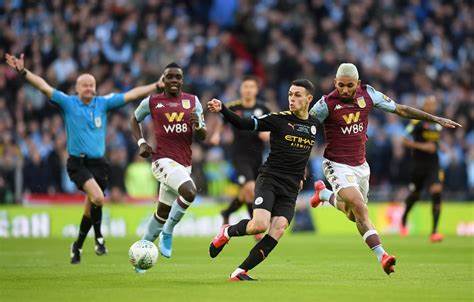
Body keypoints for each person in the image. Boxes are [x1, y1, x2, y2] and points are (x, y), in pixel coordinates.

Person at [5, 53, 161, 264]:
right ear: (76, 88)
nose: (88, 88)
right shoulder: (69, 103)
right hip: (78, 163)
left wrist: (155, 85)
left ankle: (77, 246)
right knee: (97, 198)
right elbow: (43, 86)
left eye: (91, 84)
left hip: (99, 164)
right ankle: (98, 238)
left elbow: (131, 94)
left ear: (95, 87)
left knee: (91, 207)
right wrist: (23, 72)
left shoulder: (102, 103)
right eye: (84, 85)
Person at [309, 63, 461, 275]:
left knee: (353, 214)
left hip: (361, 166)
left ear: (358, 84)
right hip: (336, 164)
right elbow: (305, 128)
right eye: (340, 85)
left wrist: (434, 118)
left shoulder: (369, 94)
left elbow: (400, 109)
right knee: (360, 207)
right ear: (335, 82)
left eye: (349, 85)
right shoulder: (325, 104)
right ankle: (383, 256)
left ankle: (324, 194)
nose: (344, 90)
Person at [207, 79, 317, 281]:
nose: (292, 98)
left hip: (291, 188)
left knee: (279, 229)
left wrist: (303, 174)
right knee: (259, 225)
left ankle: (240, 271)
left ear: (309, 99)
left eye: (297, 95)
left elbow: (303, 154)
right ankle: (227, 232)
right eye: (290, 94)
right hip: (270, 180)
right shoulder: (278, 119)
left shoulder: (313, 125)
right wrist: (223, 108)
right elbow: (243, 123)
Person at [130, 62, 206, 262]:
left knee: (162, 212)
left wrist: (198, 125)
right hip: (161, 160)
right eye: (169, 77)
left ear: (182, 80)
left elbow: (203, 134)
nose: (173, 80)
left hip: (184, 165)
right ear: (163, 80)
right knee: (190, 191)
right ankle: (169, 231)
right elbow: (134, 119)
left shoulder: (193, 101)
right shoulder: (152, 102)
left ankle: (140, 255)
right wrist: (141, 142)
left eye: (177, 77)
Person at [209, 76, 270, 229]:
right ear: (241, 89)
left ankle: (226, 212)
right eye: (245, 87)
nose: (248, 90)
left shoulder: (264, 108)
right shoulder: (232, 106)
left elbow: (270, 127)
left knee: (245, 193)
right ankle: (254, 224)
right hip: (239, 155)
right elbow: (222, 122)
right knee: (251, 188)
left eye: (251, 87)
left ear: (256, 90)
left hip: (257, 155)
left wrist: (267, 134)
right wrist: (216, 134)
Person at [400, 96, 445, 242]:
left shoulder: (437, 123)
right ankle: (404, 217)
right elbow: (405, 140)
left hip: (433, 164)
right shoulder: (416, 122)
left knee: (436, 191)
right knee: (415, 195)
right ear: (424, 107)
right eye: (429, 104)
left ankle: (434, 232)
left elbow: (435, 143)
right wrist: (422, 147)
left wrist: (438, 146)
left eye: (434, 104)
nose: (432, 107)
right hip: (418, 164)